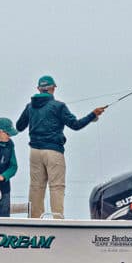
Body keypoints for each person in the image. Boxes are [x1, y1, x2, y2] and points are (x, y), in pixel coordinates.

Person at [15, 75, 106, 219]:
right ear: (53, 88)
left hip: (34, 152)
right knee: (56, 186)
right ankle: (57, 219)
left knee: (36, 187)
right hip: (53, 151)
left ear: (38, 89)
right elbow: (75, 125)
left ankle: (34, 220)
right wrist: (92, 115)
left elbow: (19, 127)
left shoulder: (29, 106)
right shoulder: (59, 106)